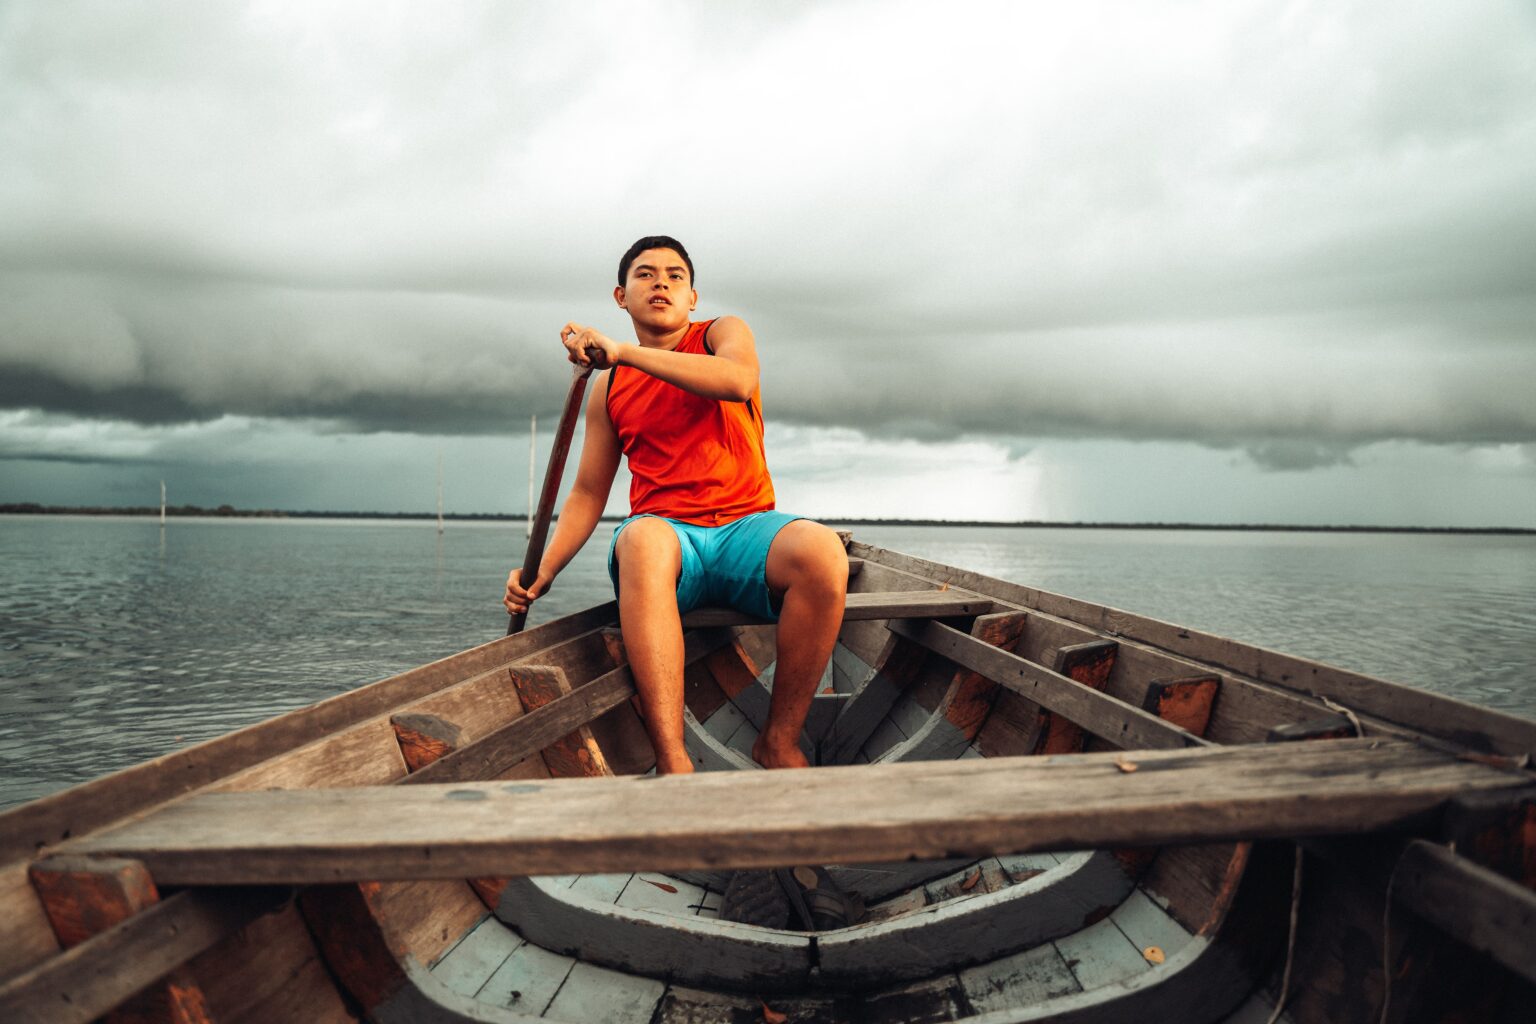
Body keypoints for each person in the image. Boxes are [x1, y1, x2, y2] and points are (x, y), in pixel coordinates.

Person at [504, 236, 849, 776]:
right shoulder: (609, 386)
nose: (660, 282)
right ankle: (672, 759)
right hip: (669, 539)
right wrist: (543, 570)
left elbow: (737, 382)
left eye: (674, 276)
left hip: (745, 530)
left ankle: (778, 742)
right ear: (622, 296)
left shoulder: (720, 334)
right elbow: (589, 491)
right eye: (645, 275)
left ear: (693, 297)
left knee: (824, 552)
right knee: (640, 540)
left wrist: (623, 351)